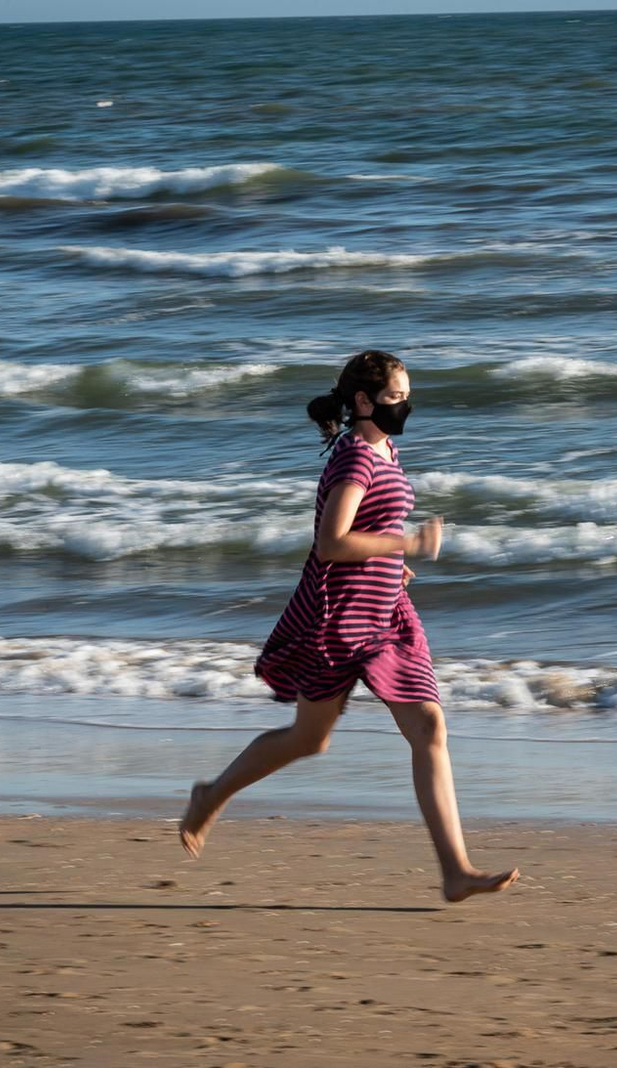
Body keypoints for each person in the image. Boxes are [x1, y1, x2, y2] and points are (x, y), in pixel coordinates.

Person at [178, 349, 520, 903]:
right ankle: (210, 796)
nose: (405, 405)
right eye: (394, 397)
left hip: (386, 613)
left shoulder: (387, 449)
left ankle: (455, 871)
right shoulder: (355, 459)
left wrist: (393, 562)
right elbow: (332, 543)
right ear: (363, 401)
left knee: (430, 728)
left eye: (408, 396)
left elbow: (371, 526)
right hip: (337, 617)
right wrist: (404, 543)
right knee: (309, 739)